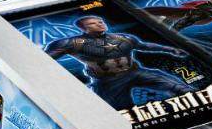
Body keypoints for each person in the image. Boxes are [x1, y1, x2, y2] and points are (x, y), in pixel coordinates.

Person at [44, 16, 192, 110]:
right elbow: (44, 59)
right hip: (108, 82)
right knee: (122, 111)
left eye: (100, 21)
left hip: (135, 72)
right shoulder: (72, 43)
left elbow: (144, 46)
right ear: (84, 28)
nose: (100, 24)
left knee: (178, 87)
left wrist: (170, 49)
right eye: (93, 23)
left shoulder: (123, 37)